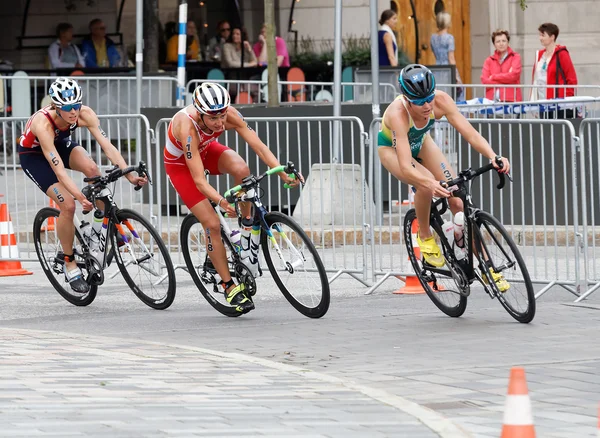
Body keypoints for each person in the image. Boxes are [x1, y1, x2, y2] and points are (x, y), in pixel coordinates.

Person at [163, 82, 302, 314]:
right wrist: (221, 201)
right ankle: (228, 285)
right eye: (213, 118)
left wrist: (281, 172)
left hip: (206, 151)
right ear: (200, 114)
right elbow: (198, 180)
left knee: (241, 169)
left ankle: (246, 229)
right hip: (181, 167)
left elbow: (258, 146)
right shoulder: (187, 127)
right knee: (212, 224)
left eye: (222, 115)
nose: (220, 122)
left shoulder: (230, 114)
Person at [377, 64, 511, 291]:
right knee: (427, 185)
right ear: (407, 99)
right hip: (392, 150)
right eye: (420, 102)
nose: (428, 105)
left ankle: (486, 266)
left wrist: (492, 155)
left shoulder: (440, 101)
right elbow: (406, 165)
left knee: (458, 199)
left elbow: (469, 132)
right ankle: (425, 236)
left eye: (429, 98)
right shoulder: (397, 114)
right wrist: (428, 181)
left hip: (420, 142)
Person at [18, 78, 147, 294]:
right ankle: (70, 263)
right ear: (56, 106)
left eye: (76, 105)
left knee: (94, 170)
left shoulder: (84, 113)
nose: (73, 112)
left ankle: (97, 230)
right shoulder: (44, 123)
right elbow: (58, 170)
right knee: (67, 205)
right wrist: (78, 196)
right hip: (35, 155)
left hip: (60, 144)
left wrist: (130, 175)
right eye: (68, 108)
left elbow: (108, 146)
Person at [531, 22, 577, 118]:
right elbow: (535, 79)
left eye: (543, 35)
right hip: (543, 103)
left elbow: (571, 78)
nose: (540, 38)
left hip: (559, 103)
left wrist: (568, 100)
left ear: (552, 37)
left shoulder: (562, 54)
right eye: (540, 35)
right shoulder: (539, 55)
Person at [480, 29, 522, 102]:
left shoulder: (515, 57)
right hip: (491, 101)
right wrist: (506, 80)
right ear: (494, 44)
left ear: (508, 42)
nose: (501, 44)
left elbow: (514, 76)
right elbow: (485, 81)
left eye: (503, 41)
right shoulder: (489, 60)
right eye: (498, 41)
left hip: (511, 101)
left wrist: (493, 77)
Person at [430, 12, 463, 101]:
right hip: (448, 69)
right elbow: (451, 58)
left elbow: (434, 52)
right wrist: (456, 75)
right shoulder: (449, 38)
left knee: (439, 94)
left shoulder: (433, 38)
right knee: (455, 94)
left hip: (437, 69)